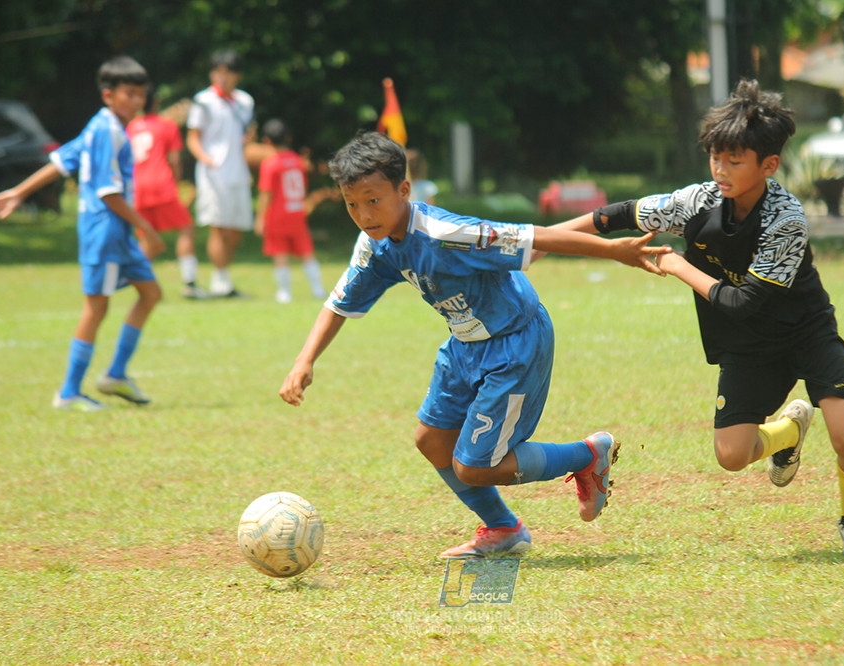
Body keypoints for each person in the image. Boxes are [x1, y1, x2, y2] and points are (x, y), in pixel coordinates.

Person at [279, 131, 670, 558]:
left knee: (476, 467)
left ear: (403, 190)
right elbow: (340, 303)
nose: (363, 214)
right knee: (431, 440)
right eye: (352, 203)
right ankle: (505, 529)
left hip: (515, 344)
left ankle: (587, 455)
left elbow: (535, 238)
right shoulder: (375, 246)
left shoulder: (447, 233)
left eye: (373, 200)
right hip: (463, 345)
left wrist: (612, 251)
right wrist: (305, 360)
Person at [552, 80, 844, 557]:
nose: (721, 170)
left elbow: (743, 302)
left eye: (734, 160)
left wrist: (679, 266)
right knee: (731, 456)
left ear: (768, 165)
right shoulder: (699, 201)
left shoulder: (784, 218)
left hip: (805, 331)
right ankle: (791, 430)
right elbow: (617, 215)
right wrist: (540, 242)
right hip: (749, 343)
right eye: (715, 157)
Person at [0, 56, 164, 411]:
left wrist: (19, 192)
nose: (137, 101)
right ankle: (68, 392)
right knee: (96, 308)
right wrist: (147, 227)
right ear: (108, 95)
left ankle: (115, 374)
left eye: (141, 95)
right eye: (129, 94)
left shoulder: (101, 124)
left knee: (150, 293)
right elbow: (108, 193)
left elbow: (60, 161)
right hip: (106, 232)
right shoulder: (108, 131)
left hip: (119, 233)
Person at [186, 48, 255, 298]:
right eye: (218, 72)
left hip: (238, 171)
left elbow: (246, 134)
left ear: (237, 75)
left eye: (228, 73)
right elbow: (193, 138)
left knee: (236, 227)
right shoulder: (203, 101)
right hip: (213, 174)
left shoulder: (245, 102)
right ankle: (220, 281)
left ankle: (223, 277)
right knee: (219, 227)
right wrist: (207, 160)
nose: (222, 78)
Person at [127, 87, 205, 299]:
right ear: (157, 102)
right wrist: (176, 183)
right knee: (186, 228)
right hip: (161, 184)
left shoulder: (132, 126)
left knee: (148, 237)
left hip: (138, 187)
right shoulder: (167, 125)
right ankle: (190, 282)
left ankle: (140, 283)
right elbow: (174, 160)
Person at [254, 118, 326, 303]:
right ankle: (318, 289)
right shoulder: (298, 161)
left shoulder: (270, 164)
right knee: (307, 253)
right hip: (297, 212)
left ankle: (284, 292)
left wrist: (260, 218)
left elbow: (266, 193)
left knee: (280, 254)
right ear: (288, 138)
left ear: (267, 141)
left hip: (277, 216)